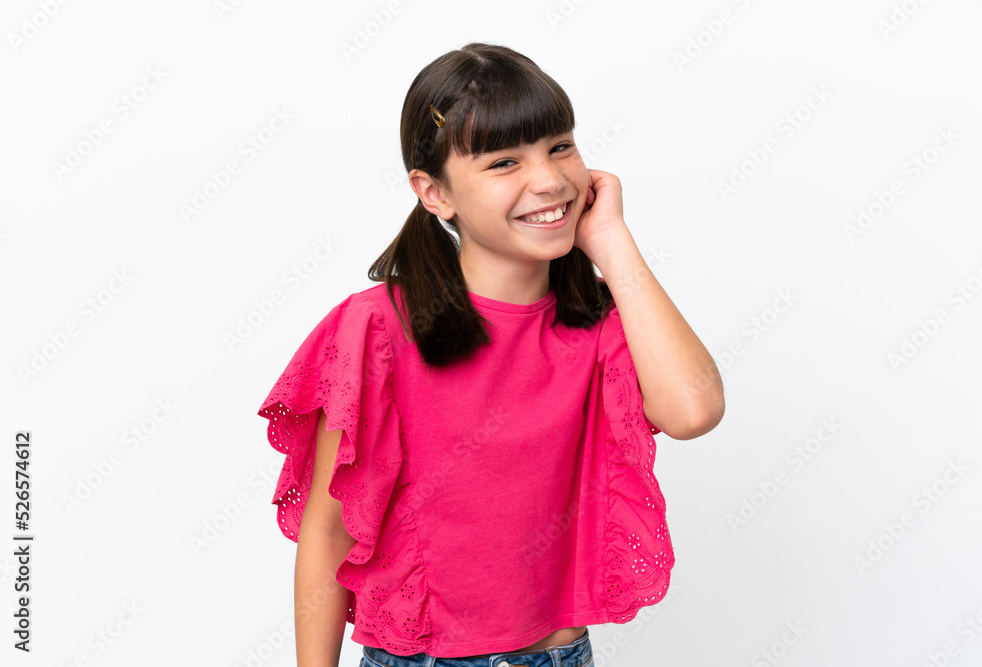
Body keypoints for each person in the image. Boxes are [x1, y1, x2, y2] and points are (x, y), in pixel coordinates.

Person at [257, 42, 725, 667]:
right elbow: (328, 530)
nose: (550, 180)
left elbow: (693, 411)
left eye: (560, 146)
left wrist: (611, 239)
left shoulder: (604, 326)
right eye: (504, 162)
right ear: (434, 193)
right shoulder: (376, 330)